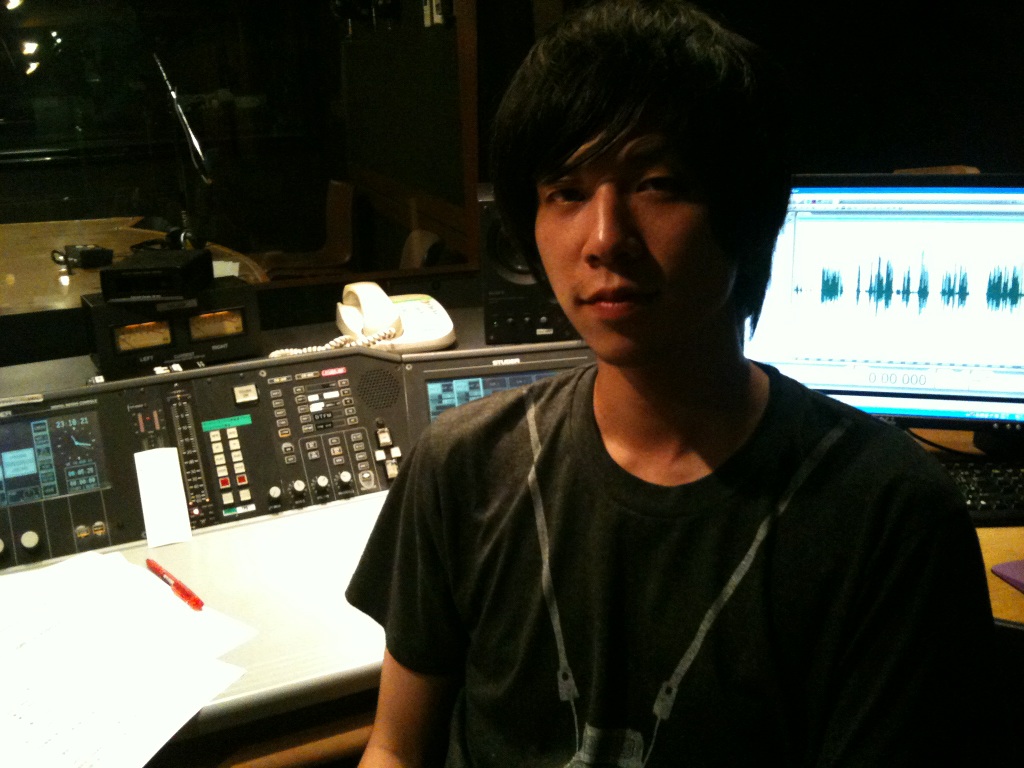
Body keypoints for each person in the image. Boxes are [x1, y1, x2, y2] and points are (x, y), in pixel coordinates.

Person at [346, 1, 995, 765]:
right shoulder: (460, 465)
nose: (604, 238)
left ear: (747, 212)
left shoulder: (891, 517)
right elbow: (396, 748)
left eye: (657, 183)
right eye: (566, 191)